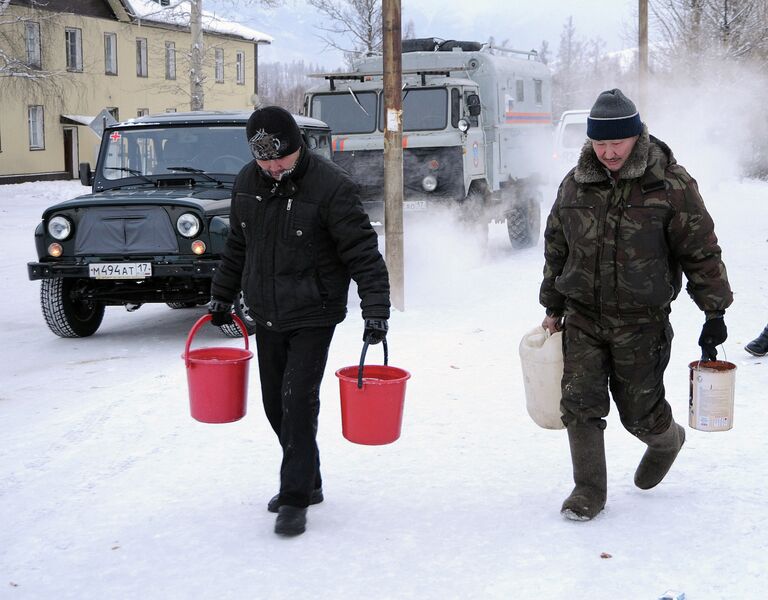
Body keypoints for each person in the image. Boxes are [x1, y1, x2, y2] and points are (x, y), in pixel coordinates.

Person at [539, 89, 733, 521]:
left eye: (617, 143)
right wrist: (553, 306)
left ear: (636, 137)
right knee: (579, 404)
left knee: (639, 413)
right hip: (584, 316)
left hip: (642, 321)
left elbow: (700, 249)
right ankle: (588, 490)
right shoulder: (574, 184)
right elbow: (557, 248)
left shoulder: (670, 185)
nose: (608, 152)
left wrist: (714, 311)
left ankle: (667, 439)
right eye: (599, 143)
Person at [208, 106, 390, 536]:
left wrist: (376, 310)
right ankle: (310, 478)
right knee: (275, 404)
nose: (272, 167)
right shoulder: (247, 183)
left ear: (297, 147)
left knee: (297, 400)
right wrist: (220, 295)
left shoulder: (331, 187)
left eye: (281, 158)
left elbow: (363, 252)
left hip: (314, 311)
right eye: (264, 159)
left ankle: (295, 496)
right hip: (267, 313)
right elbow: (238, 245)